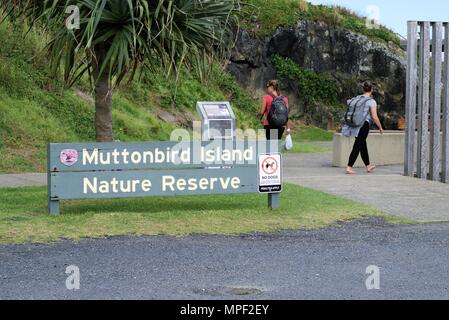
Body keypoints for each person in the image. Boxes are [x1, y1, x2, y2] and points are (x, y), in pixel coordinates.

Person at [342, 82, 384, 174]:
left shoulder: (357, 98)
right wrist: (380, 127)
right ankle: (349, 167)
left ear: (363, 90)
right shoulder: (371, 101)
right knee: (357, 145)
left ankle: (368, 166)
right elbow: (374, 116)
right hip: (364, 125)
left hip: (356, 125)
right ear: (371, 90)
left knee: (362, 145)